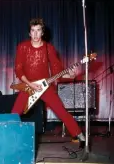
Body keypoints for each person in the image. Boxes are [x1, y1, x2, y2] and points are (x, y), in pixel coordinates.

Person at [11, 18, 86, 146]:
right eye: (33, 31)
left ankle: (79, 136)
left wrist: (69, 74)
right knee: (15, 112)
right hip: (28, 85)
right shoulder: (22, 47)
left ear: (42, 33)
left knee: (61, 111)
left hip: (46, 86)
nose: (35, 34)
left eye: (38, 30)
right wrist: (30, 84)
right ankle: (8, 136)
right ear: (29, 33)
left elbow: (57, 70)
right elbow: (18, 69)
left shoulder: (49, 48)